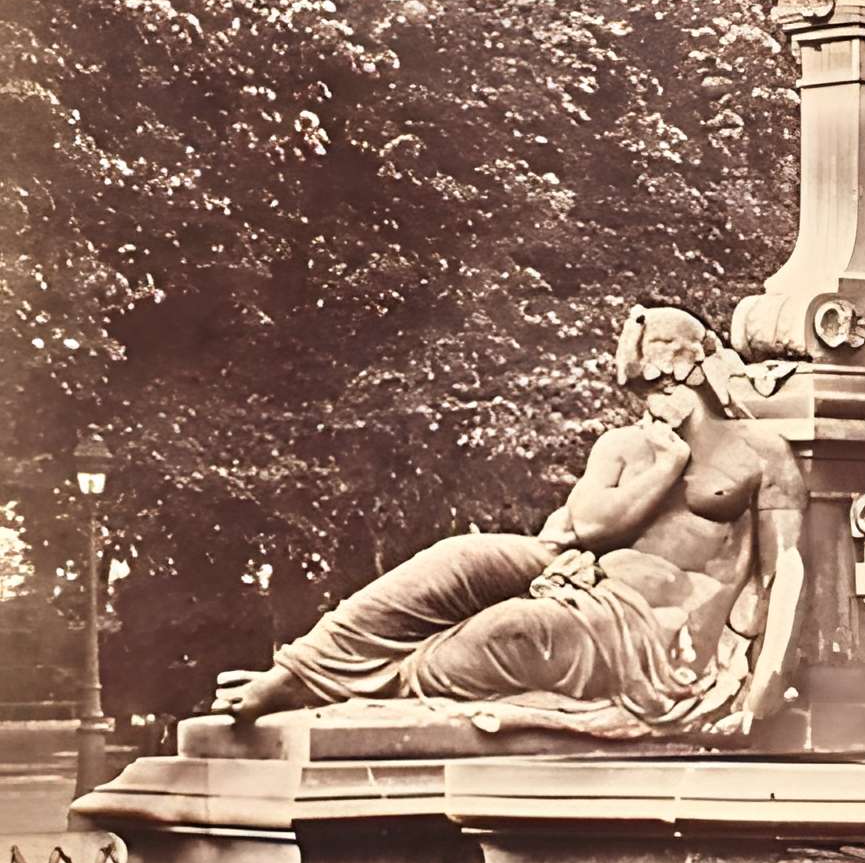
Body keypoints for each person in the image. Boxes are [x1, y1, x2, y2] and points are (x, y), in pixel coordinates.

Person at [211, 308, 806, 738]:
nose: (656, 398)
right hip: (576, 571)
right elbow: (592, 528)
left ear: (699, 370)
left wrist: (767, 678)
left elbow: (788, 573)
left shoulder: (758, 451)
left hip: (654, 629)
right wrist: (666, 464)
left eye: (665, 381)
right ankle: (297, 672)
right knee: (456, 558)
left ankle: (362, 687)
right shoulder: (626, 447)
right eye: (644, 389)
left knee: (513, 630)